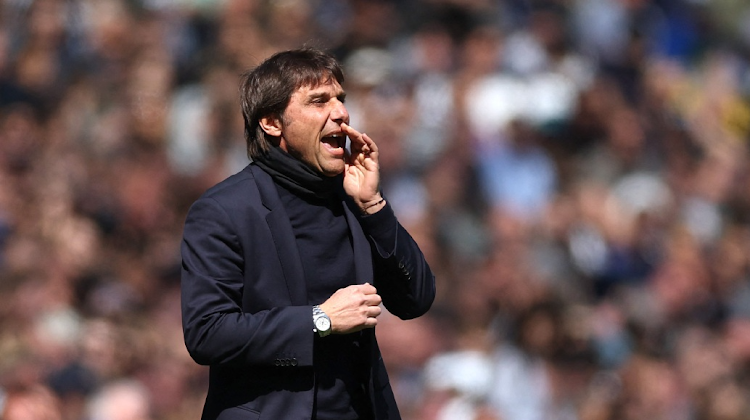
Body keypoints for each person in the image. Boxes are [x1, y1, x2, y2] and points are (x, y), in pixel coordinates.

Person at [180, 47, 436, 420]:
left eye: (340, 99)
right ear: (272, 122)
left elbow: (417, 299)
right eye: (319, 101)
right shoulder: (224, 210)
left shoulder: (354, 198)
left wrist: (373, 207)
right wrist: (320, 320)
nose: (341, 112)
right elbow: (207, 332)